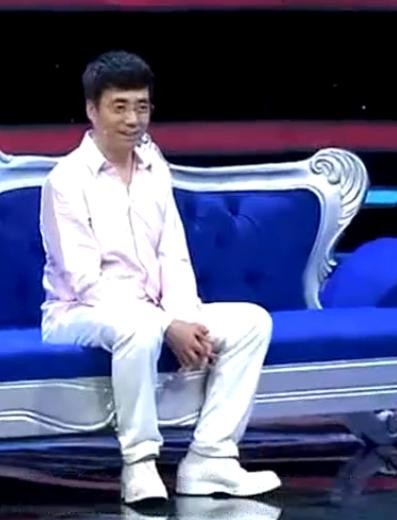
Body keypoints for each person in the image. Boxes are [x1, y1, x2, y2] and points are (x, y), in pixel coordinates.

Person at [39, 50, 281, 504]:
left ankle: (211, 458)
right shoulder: (66, 181)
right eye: (120, 107)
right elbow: (85, 281)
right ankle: (139, 463)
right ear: (92, 110)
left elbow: (173, 253)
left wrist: (185, 317)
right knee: (137, 328)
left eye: (142, 106)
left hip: (156, 310)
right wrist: (167, 324)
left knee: (252, 322)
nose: (133, 119)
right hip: (78, 314)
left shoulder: (153, 166)